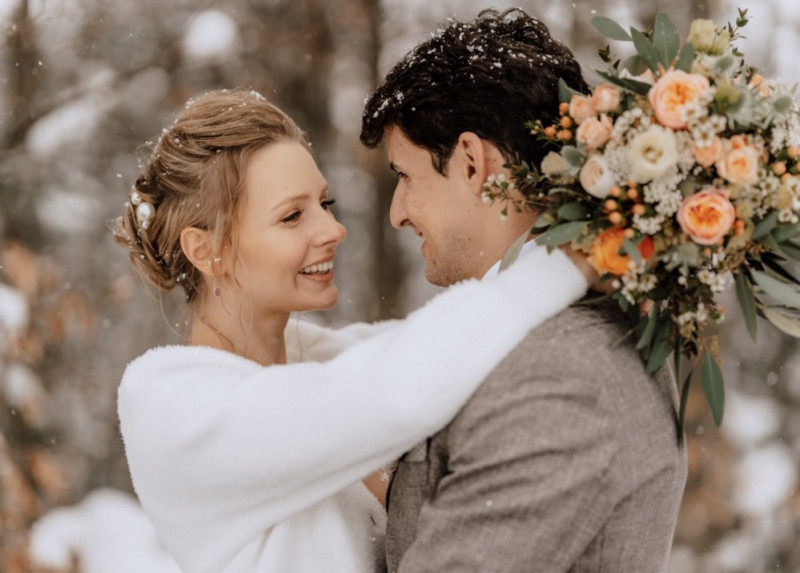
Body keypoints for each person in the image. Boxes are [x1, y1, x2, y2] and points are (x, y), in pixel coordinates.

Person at [112, 88, 593, 573]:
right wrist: (577, 253)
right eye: (292, 215)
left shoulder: (326, 360)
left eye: (326, 202)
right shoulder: (174, 413)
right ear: (205, 249)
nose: (332, 228)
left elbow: (449, 347)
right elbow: (396, 388)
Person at [360, 8, 688, 572]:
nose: (396, 214)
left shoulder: (558, 373)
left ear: (470, 162)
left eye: (405, 177)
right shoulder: (541, 337)